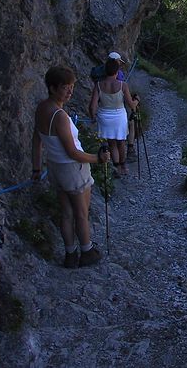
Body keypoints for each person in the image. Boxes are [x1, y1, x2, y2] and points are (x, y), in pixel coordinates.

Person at [31, 66, 110, 268]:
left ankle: (70, 255)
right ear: (52, 88)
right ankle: (87, 251)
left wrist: (37, 169)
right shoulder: (59, 116)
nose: (70, 92)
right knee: (81, 214)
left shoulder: (41, 108)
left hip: (55, 169)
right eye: (65, 88)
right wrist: (97, 159)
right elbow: (72, 152)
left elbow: (36, 140)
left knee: (66, 213)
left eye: (72, 87)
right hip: (73, 169)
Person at [89, 57, 139, 176]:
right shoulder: (123, 85)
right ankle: (123, 166)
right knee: (121, 142)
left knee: (112, 143)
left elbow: (92, 106)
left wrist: (93, 117)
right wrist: (137, 100)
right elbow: (131, 105)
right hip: (119, 116)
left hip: (104, 116)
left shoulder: (99, 85)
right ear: (117, 72)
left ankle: (116, 167)